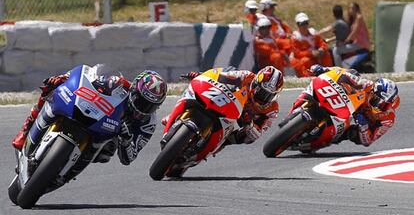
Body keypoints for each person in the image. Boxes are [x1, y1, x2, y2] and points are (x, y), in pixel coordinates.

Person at [12, 65, 167, 165]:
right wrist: (63, 79)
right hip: (92, 113)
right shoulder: (118, 84)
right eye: (141, 101)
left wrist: (126, 140)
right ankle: (25, 131)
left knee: (106, 154)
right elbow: (87, 76)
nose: (144, 108)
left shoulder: (149, 123)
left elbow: (129, 158)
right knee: (52, 89)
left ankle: (74, 162)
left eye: (151, 106)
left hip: (106, 137)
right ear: (134, 90)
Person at [163, 66, 283, 147]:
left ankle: (212, 145)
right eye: (261, 91)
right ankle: (174, 117)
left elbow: (257, 134)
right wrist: (200, 75)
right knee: (194, 93)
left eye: (268, 95)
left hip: (238, 125)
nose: (263, 97)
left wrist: (249, 125)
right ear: (256, 82)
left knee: (242, 138)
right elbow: (219, 75)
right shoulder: (245, 76)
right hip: (226, 104)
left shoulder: (272, 109)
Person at [301, 64, 400, 151]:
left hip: (354, 121)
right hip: (346, 102)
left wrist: (364, 126)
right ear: (373, 90)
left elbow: (368, 141)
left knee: (352, 134)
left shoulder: (388, 119)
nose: (378, 103)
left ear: (390, 102)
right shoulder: (367, 85)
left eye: (382, 102)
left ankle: (322, 140)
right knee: (353, 72)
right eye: (375, 97)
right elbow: (343, 72)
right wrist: (324, 69)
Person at [290, 12, 333, 77]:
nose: (304, 26)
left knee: (326, 54)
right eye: (302, 24)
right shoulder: (295, 37)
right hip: (302, 57)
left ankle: (328, 74)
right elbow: (297, 53)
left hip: (315, 55)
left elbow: (322, 43)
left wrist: (321, 49)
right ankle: (308, 77)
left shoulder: (313, 33)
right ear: (298, 25)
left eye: (306, 23)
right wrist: (311, 53)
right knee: (305, 60)